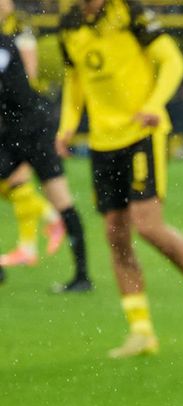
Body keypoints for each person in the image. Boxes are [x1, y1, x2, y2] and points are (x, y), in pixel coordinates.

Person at [56, 0, 183, 357]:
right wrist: (68, 125)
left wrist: (154, 104)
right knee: (115, 234)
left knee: (147, 225)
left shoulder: (130, 13)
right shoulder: (70, 26)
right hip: (103, 143)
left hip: (141, 135)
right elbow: (75, 80)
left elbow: (173, 60)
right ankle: (141, 332)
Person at [0, 0, 86, 292]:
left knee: (60, 197)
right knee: (15, 186)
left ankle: (81, 275)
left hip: (34, 128)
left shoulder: (16, 31)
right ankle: (35, 237)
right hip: (10, 129)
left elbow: (25, 77)